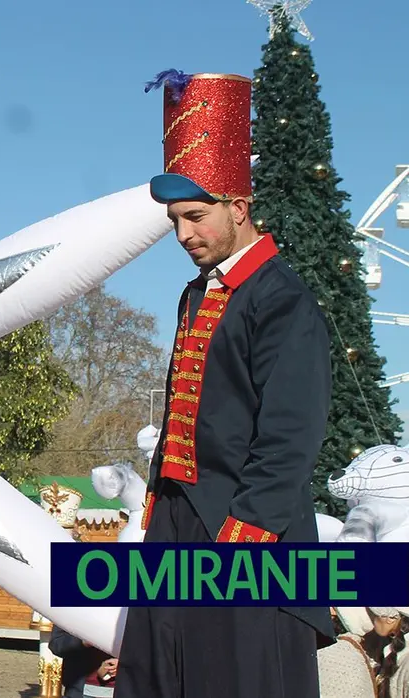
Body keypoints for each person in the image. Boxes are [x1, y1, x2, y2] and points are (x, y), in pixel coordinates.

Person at [116, 70, 335, 698]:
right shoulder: (195, 294)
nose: (184, 234)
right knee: (158, 676)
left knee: (235, 681)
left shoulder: (283, 298)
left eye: (196, 216)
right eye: (175, 220)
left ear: (238, 208)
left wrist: (244, 541)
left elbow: (290, 435)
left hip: (246, 532)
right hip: (178, 520)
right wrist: (156, 509)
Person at [50, 626, 118, 698]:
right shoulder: (72, 614)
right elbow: (56, 644)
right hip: (80, 690)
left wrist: (124, 662)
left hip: (123, 689)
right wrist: (82, 641)